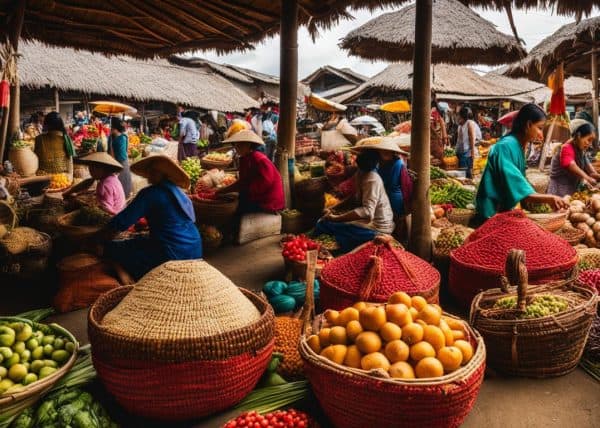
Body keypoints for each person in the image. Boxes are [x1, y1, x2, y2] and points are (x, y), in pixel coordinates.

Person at [100, 155, 202, 283]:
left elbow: (121, 222)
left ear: (162, 174)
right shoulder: (180, 192)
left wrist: (99, 238)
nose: (148, 175)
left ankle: (129, 282)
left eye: (152, 171)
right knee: (138, 240)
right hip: (195, 248)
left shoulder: (150, 193)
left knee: (112, 249)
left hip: (172, 254)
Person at [476, 103, 569, 220]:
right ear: (529, 124)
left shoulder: (517, 146)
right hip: (490, 212)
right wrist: (550, 198)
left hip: (503, 210)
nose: (541, 134)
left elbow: (520, 182)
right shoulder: (505, 147)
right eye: (539, 128)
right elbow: (518, 188)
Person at [315, 150, 395, 252]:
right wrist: (333, 208)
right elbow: (354, 196)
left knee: (328, 226)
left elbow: (367, 211)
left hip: (377, 227)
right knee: (324, 223)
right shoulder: (360, 173)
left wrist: (336, 218)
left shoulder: (372, 180)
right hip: (367, 221)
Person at [217, 130, 284, 213]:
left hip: (269, 200)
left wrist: (245, 191)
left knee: (239, 207)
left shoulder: (260, 159)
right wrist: (223, 190)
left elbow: (265, 183)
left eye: (239, 145)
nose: (236, 147)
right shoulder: (246, 158)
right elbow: (242, 182)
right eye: (235, 145)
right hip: (258, 196)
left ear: (248, 145)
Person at [548, 120, 600, 196]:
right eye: (588, 140)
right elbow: (572, 166)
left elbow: (591, 172)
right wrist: (588, 179)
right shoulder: (566, 148)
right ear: (579, 135)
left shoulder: (581, 151)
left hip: (572, 189)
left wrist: (597, 177)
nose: (589, 144)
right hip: (559, 191)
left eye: (591, 141)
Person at [107, 118, 132, 198]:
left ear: (115, 129)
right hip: (116, 162)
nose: (110, 129)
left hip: (121, 163)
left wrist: (116, 166)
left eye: (112, 128)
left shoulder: (122, 138)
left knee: (122, 183)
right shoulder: (113, 138)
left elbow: (121, 155)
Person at [456, 107, 481, 179]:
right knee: (462, 174)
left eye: (459, 115)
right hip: (462, 153)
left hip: (467, 154)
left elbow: (472, 138)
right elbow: (460, 139)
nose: (458, 117)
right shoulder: (461, 124)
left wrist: (472, 153)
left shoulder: (469, 123)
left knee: (466, 174)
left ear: (462, 116)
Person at [430, 97, 448, 162]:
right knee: (439, 160)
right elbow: (444, 130)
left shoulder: (431, 114)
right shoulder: (439, 116)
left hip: (432, 142)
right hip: (438, 142)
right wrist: (445, 140)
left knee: (433, 160)